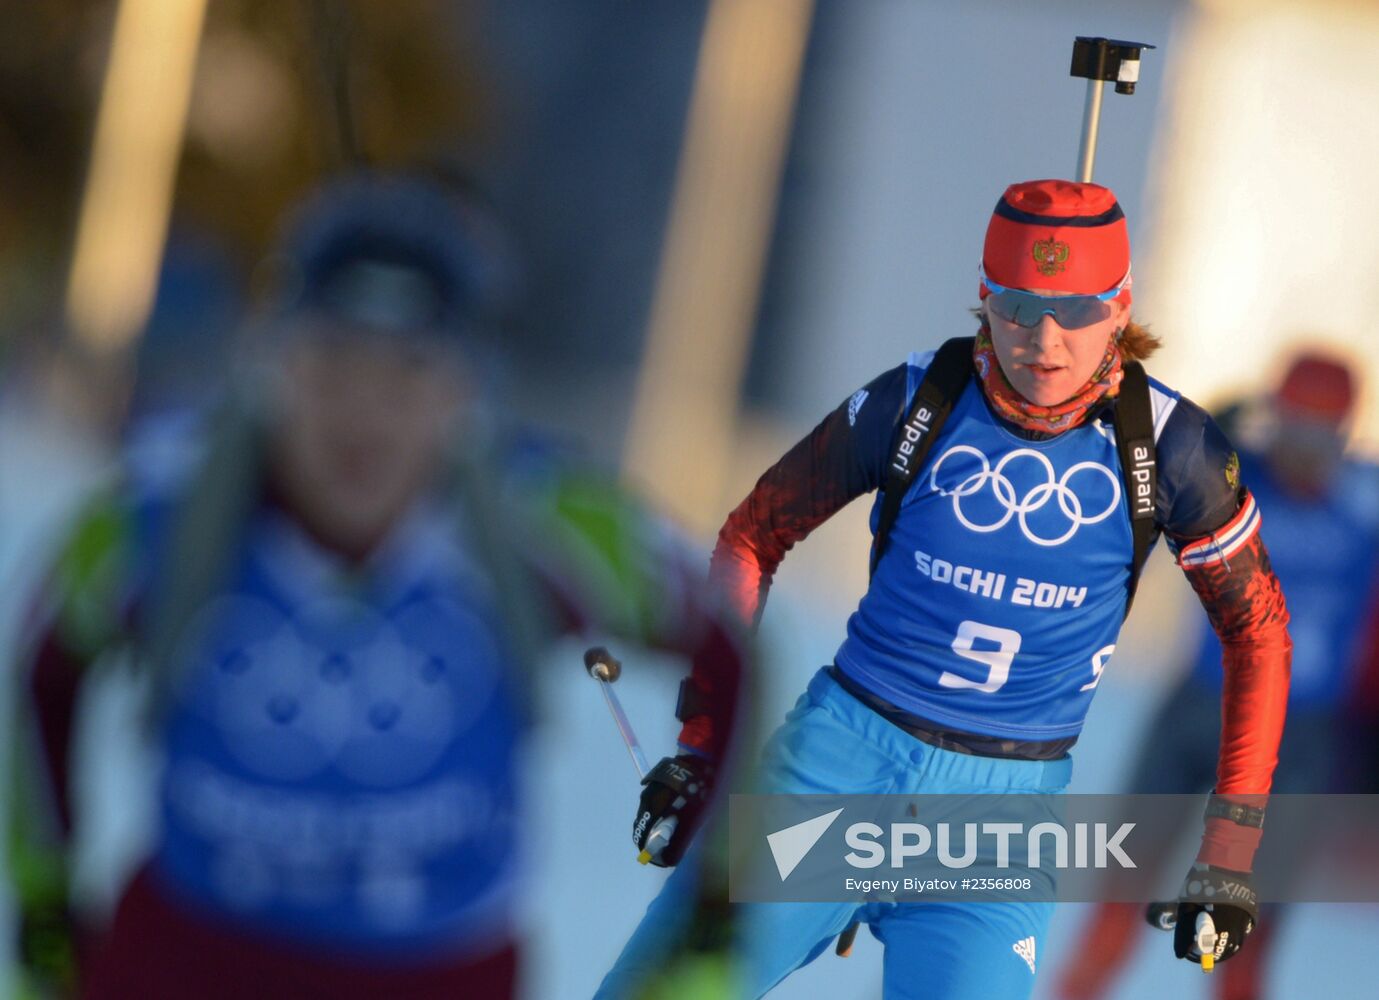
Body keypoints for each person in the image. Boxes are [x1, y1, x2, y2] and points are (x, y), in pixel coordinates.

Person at [7, 172, 745, 1000]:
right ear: (273, 362)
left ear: (466, 388)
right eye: (332, 363)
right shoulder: (155, 522)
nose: (364, 414)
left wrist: (711, 927)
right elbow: (39, 672)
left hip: (436, 974)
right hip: (184, 961)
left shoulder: (549, 526)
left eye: (408, 372)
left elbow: (732, 653)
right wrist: (43, 911)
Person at [596, 179, 1292, 999]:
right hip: (835, 769)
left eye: (1075, 310)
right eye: (1018, 306)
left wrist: (1230, 849)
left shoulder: (1170, 450)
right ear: (982, 296)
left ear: (1121, 305)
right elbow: (754, 534)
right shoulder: (916, 400)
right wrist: (702, 749)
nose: (1045, 339)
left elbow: (1257, 635)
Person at [1056, 351, 1379, 1000]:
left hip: (1295, 738)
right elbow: (1136, 458)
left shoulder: (1362, 501)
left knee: (1243, 942)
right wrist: (1216, 418)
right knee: (1114, 910)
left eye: (1320, 435)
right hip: (1199, 710)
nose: (1301, 453)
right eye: (1291, 427)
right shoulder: (1235, 477)